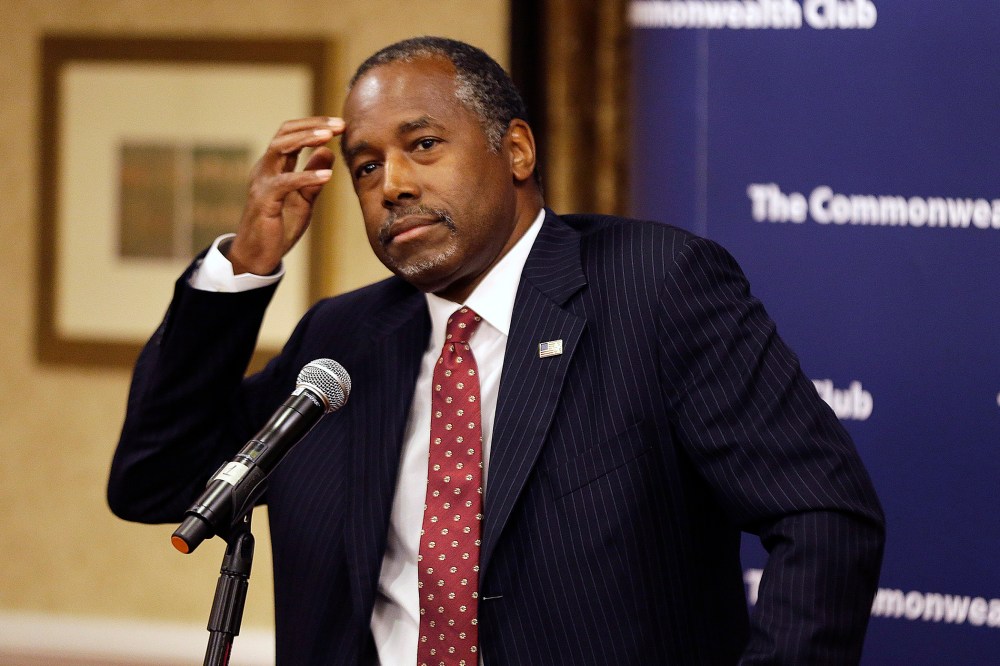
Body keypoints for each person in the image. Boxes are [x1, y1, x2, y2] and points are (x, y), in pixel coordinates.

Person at [108, 36, 885, 665]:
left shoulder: (654, 287)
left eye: (423, 145)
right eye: (367, 167)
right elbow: (158, 479)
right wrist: (243, 269)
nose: (392, 185)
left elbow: (821, 512)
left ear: (515, 150)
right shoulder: (342, 342)